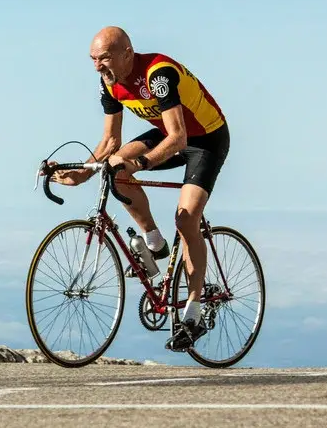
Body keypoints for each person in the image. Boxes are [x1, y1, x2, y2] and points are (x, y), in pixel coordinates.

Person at [48, 26, 230, 352]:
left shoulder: (158, 75)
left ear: (127, 54)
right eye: (93, 59)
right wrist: (80, 174)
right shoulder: (109, 82)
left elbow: (179, 138)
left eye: (104, 58)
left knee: (186, 219)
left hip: (206, 140)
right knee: (115, 169)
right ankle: (155, 243)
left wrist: (141, 163)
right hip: (169, 136)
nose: (97, 66)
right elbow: (110, 141)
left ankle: (193, 313)